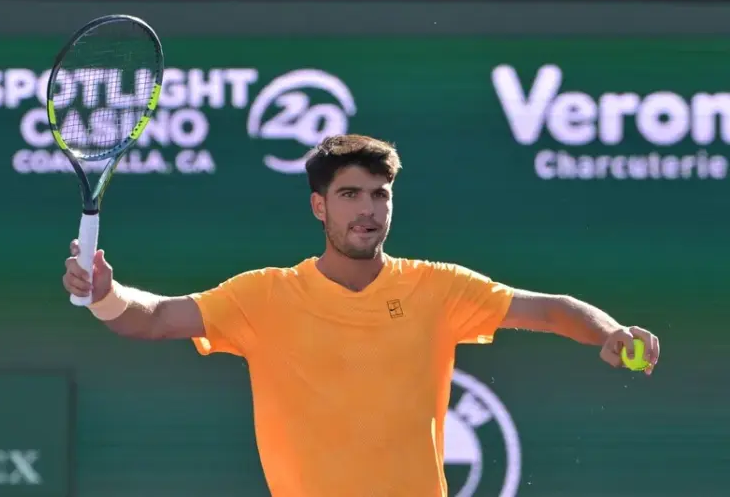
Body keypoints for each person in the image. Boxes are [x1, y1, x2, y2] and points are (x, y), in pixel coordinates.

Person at [63, 134, 661, 497]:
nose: (369, 210)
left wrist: (607, 332)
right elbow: (154, 318)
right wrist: (107, 295)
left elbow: (551, 310)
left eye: (381, 195)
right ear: (319, 205)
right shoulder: (263, 295)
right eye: (352, 195)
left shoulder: (437, 287)